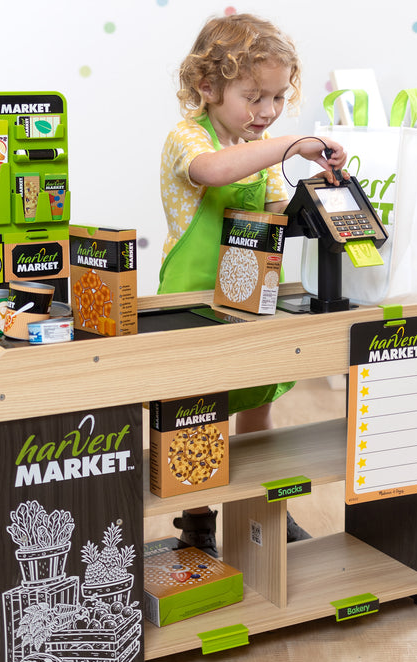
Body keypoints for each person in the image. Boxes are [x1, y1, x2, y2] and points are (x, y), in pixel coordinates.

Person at [158, 13, 348, 556]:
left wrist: (319, 195)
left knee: (258, 395)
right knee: (198, 413)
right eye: (254, 97)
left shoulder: (262, 153)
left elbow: (278, 212)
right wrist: (291, 143)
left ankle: (262, 504)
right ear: (208, 87)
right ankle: (197, 520)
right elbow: (214, 172)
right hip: (192, 295)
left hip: (254, 288)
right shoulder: (188, 139)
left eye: (278, 98)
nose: (266, 113)